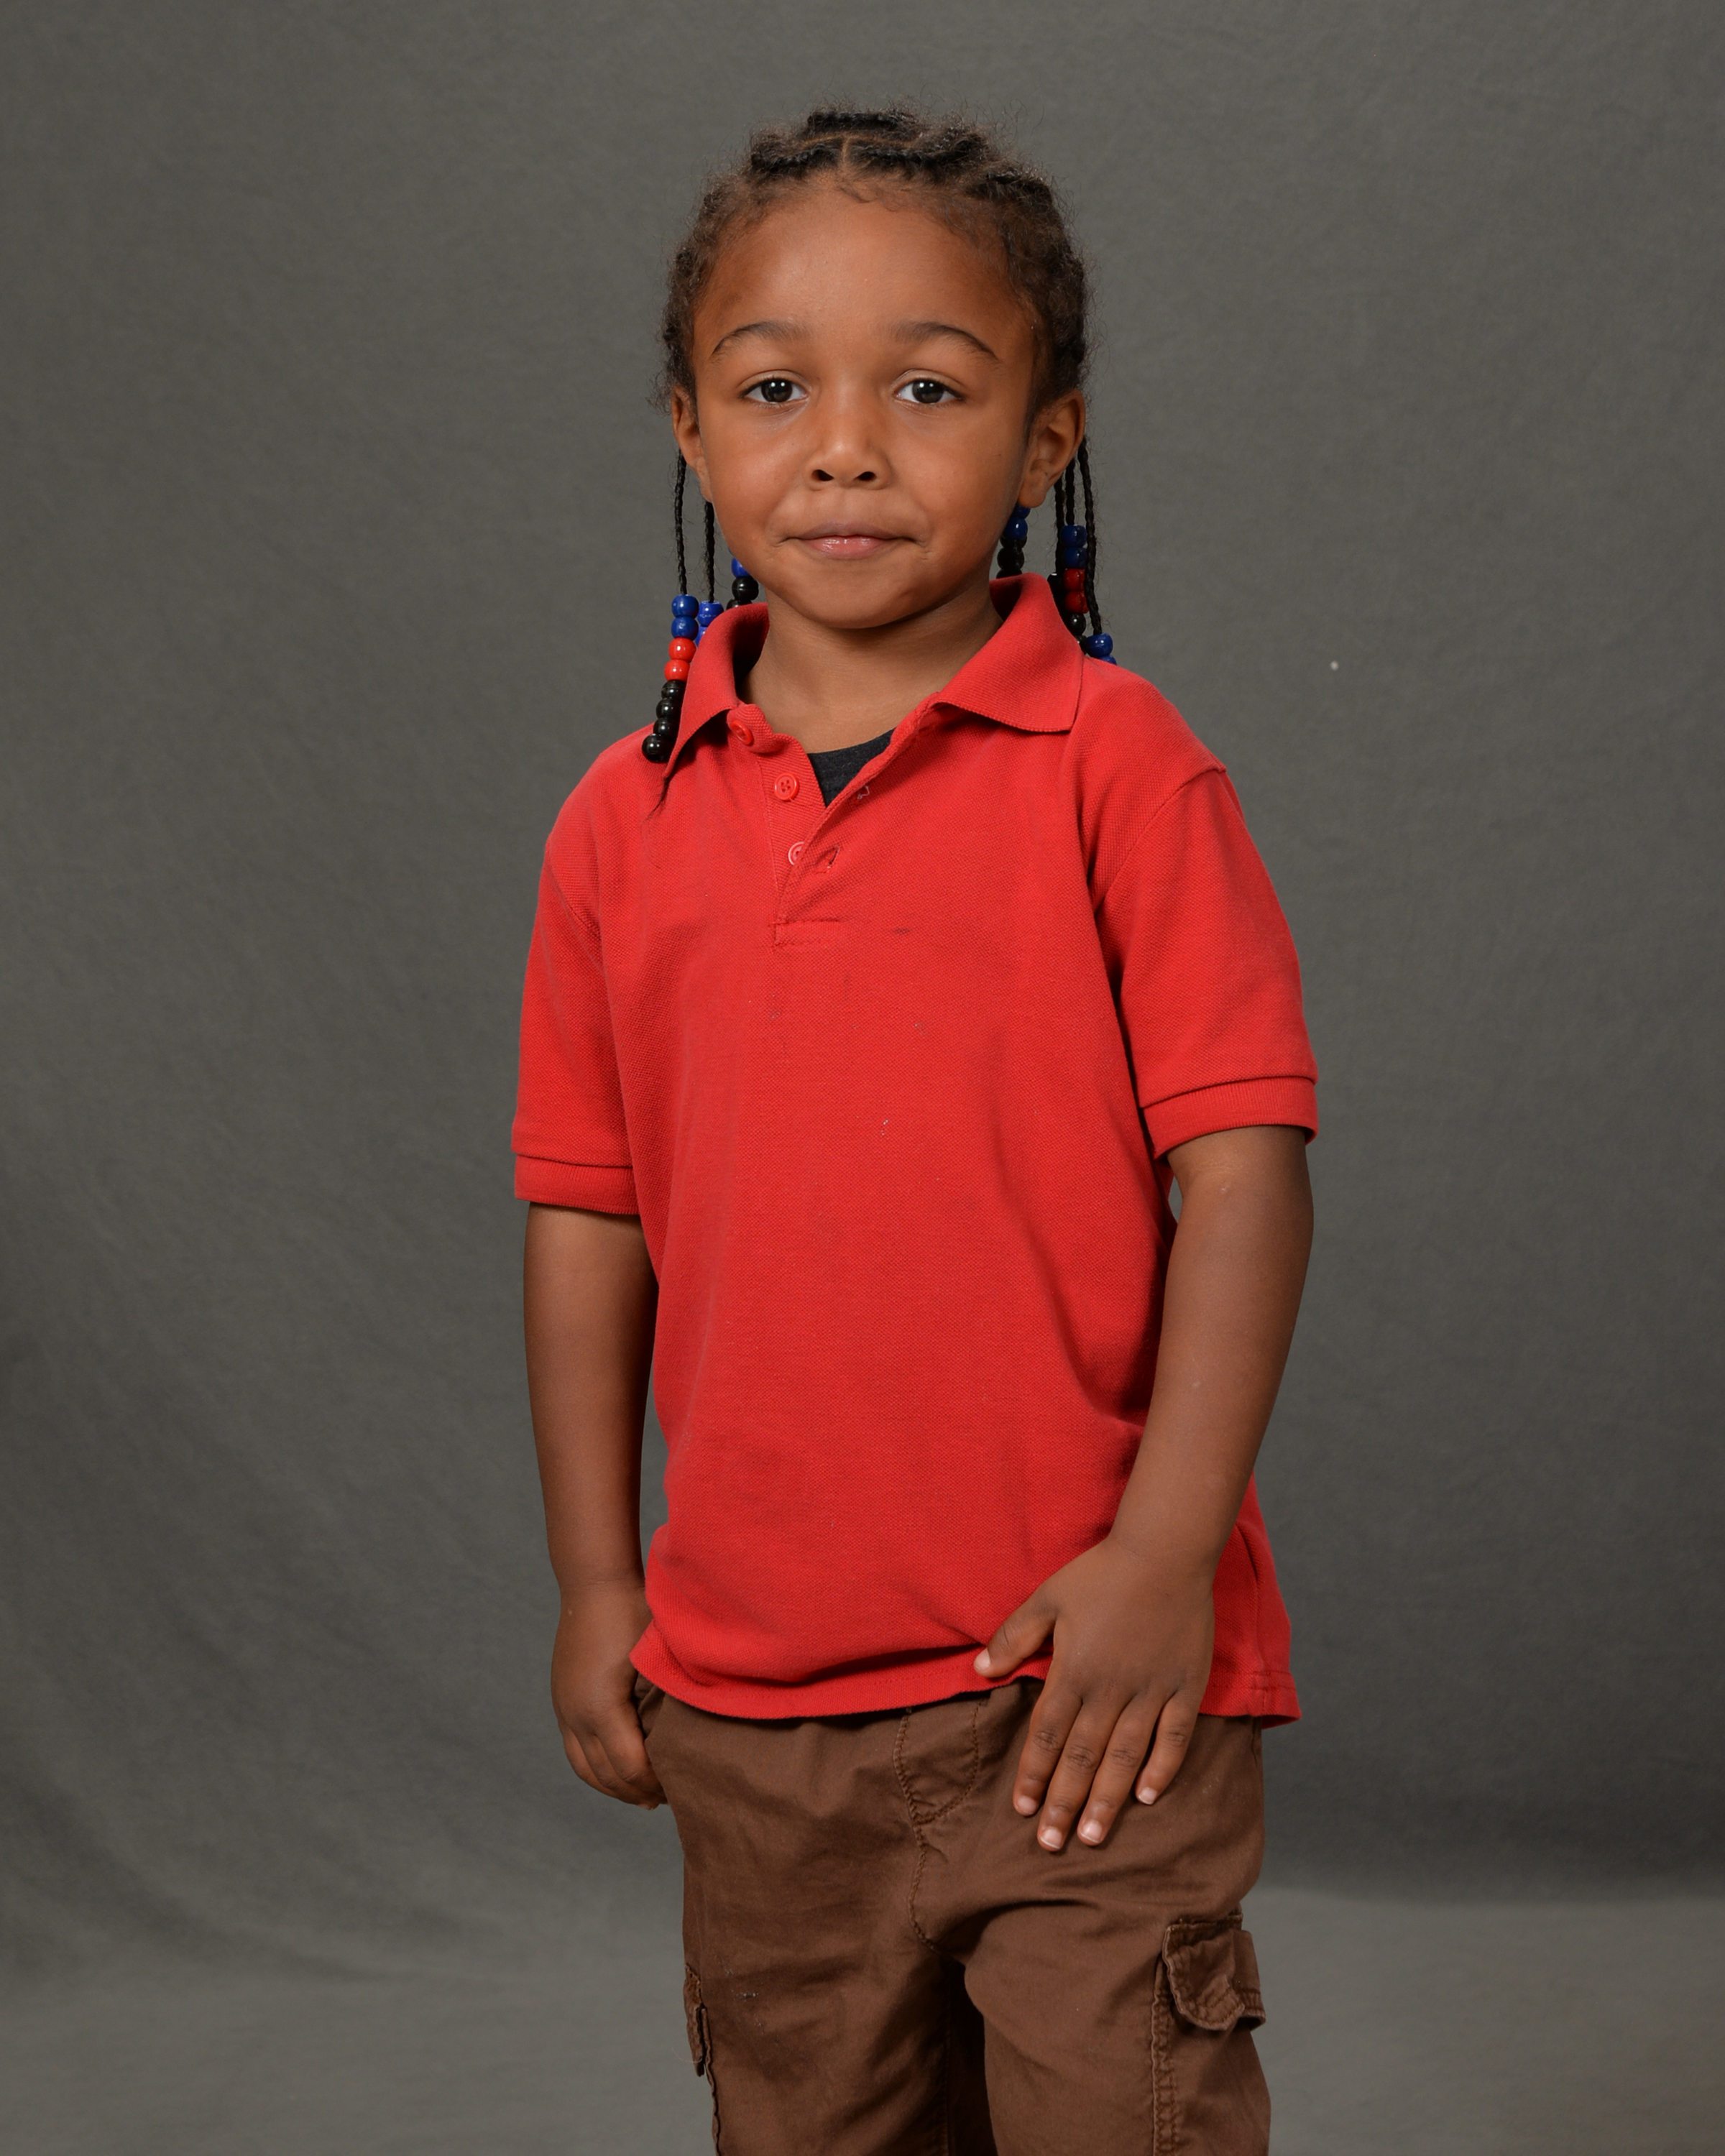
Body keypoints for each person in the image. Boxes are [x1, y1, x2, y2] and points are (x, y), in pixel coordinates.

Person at [515, 107, 1317, 2156]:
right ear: (691, 432)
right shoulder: (621, 817)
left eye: (930, 390)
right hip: (756, 1709)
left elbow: (1243, 1175)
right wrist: (598, 1580)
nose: (847, 448)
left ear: (1048, 440)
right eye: (775, 388)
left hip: (1085, 1686)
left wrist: (1161, 1560)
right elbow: (590, 1220)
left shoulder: (1121, 769)